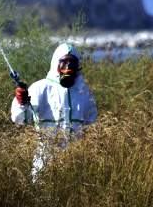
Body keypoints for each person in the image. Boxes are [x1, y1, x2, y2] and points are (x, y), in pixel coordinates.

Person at [10, 43, 98, 180]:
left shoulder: (84, 91)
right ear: (56, 63)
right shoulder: (40, 88)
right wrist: (21, 102)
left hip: (76, 167)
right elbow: (20, 119)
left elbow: (92, 126)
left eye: (72, 62)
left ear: (77, 65)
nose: (68, 67)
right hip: (45, 164)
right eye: (64, 62)